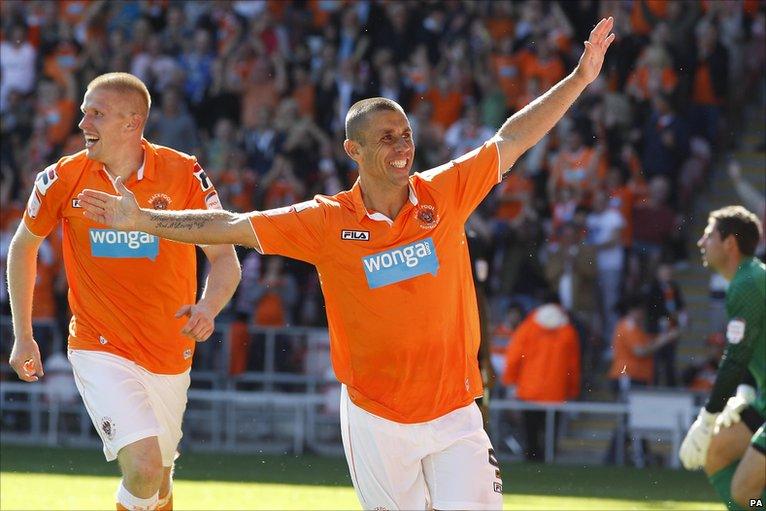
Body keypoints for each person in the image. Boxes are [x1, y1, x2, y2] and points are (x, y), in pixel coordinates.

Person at [78, 19, 616, 510]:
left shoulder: (445, 194)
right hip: (376, 419)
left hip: (455, 410)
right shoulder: (325, 221)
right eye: (386, 138)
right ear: (352, 150)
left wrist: (580, 77)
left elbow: (512, 138)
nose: (403, 145)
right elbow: (233, 226)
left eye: (405, 134)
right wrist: (144, 220)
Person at [7, 72, 240, 511]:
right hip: (99, 345)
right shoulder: (61, 178)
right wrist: (23, 334)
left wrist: (209, 306)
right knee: (145, 468)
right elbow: (23, 246)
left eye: (96, 113)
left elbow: (224, 257)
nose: (82, 124)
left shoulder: (183, 172)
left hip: (171, 351)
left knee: (161, 481)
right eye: (83, 112)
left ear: (133, 122)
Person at [679, 206, 765, 511]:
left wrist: (708, 417)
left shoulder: (747, 283)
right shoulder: (749, 278)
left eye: (708, 235)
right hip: (762, 398)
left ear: (729, 243)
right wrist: (747, 389)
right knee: (716, 453)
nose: (701, 243)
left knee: (745, 493)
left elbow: (735, 356)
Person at [502, 303, 580, 461]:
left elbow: (514, 357)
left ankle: (531, 461)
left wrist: (510, 381)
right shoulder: (567, 332)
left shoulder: (528, 328)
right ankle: (548, 462)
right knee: (550, 436)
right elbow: (573, 365)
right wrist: (572, 390)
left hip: (529, 391)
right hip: (556, 393)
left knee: (530, 433)